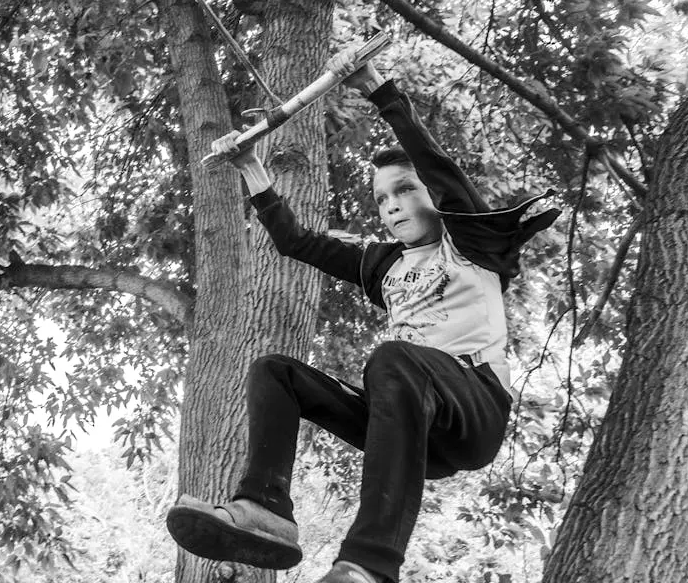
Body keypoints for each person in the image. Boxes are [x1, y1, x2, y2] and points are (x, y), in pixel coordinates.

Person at [165, 63, 560, 583]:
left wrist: (377, 89)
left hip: (472, 409)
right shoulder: (384, 265)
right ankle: (266, 511)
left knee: (392, 358)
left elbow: (436, 165)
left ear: (433, 198)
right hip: (406, 419)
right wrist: (251, 170)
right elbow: (296, 243)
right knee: (274, 371)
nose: (393, 206)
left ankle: (369, 565)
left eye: (405, 190)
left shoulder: (470, 243)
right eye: (382, 199)